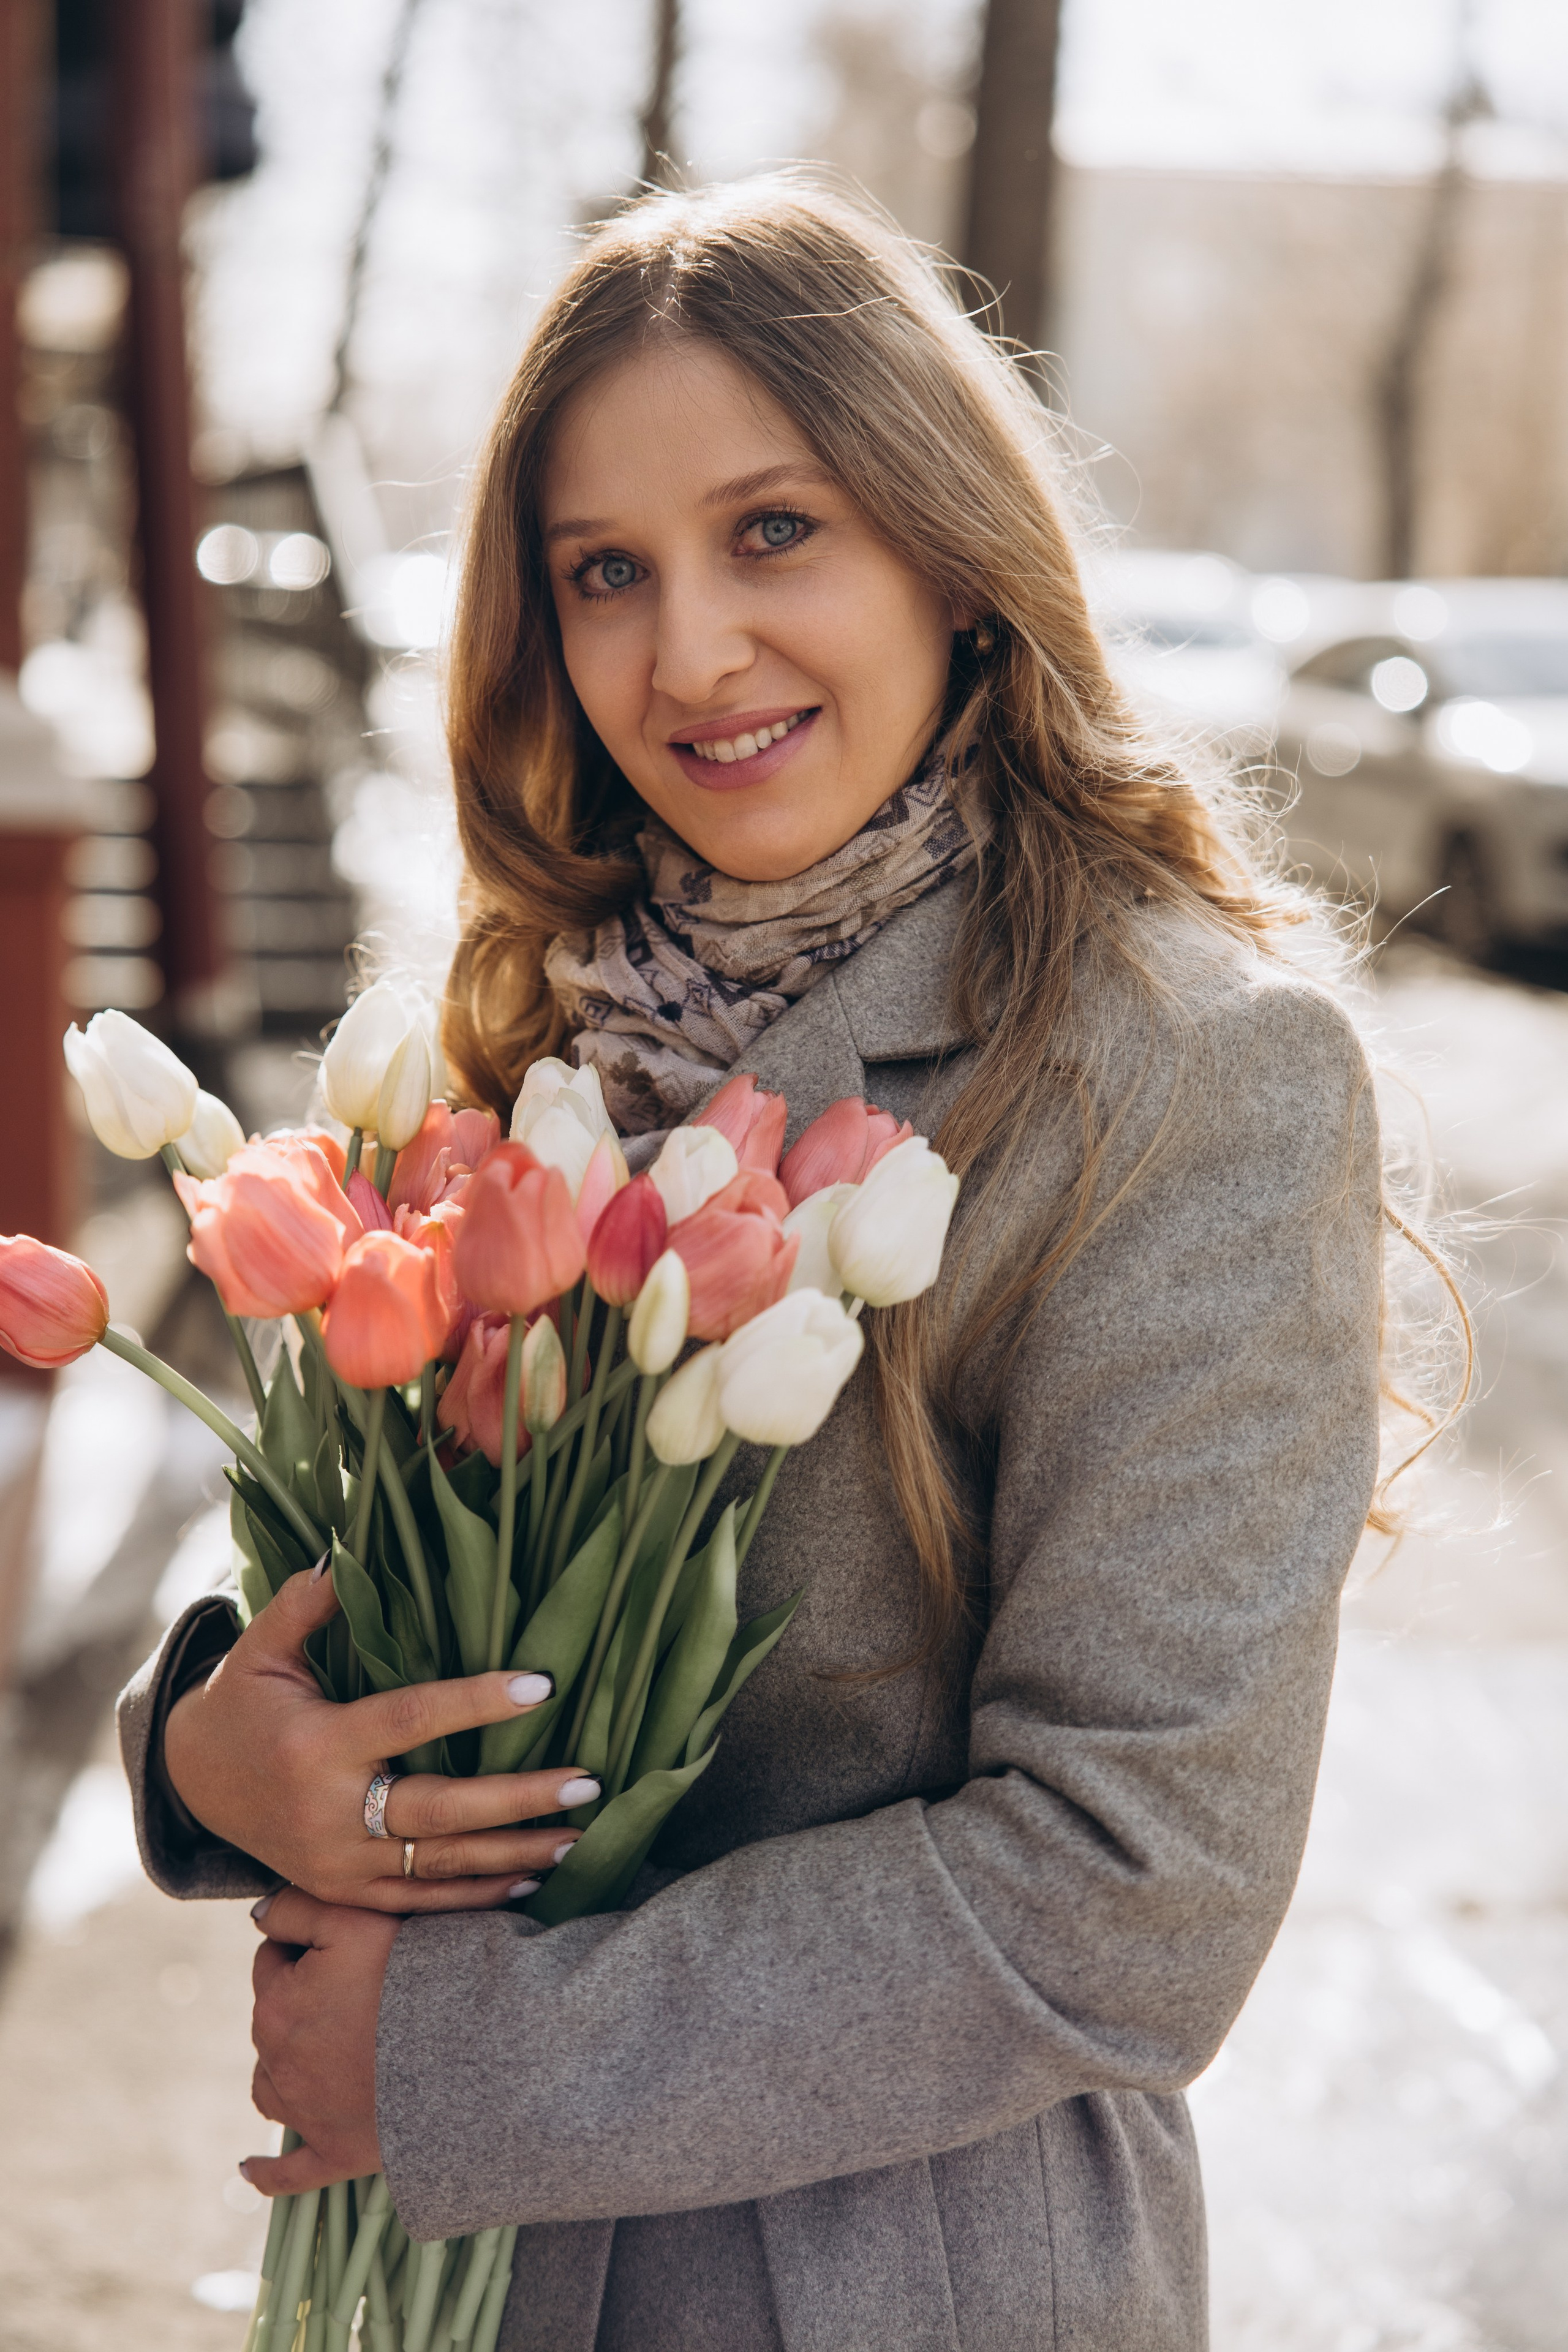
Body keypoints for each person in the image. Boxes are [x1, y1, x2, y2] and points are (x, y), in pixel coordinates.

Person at [121, 178, 1407, 2351]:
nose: (688, 652)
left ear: (946, 545)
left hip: (884, 2277)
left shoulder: (1186, 1075)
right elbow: (431, 1567)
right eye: (603, 573)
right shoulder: (516, 1033)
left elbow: (1135, 1889)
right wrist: (213, 1754)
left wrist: (461, 2058)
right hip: (454, 2277)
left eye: (774, 532)